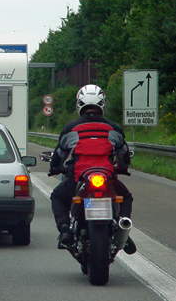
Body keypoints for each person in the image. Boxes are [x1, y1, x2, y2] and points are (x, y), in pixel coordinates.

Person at [49, 84, 136, 254]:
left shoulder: (71, 129)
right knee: (125, 197)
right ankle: (122, 227)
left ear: (79, 103)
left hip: (79, 177)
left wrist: (55, 167)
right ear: (102, 104)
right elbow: (123, 154)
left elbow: (59, 154)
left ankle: (65, 230)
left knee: (57, 197)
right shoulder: (113, 128)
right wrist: (123, 167)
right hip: (107, 176)